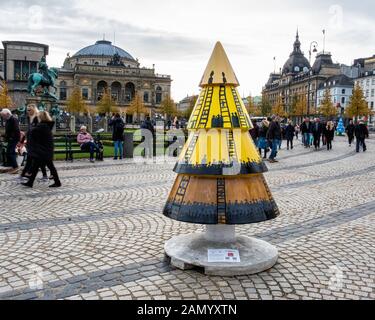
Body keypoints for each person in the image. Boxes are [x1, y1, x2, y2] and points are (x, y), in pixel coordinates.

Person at [21, 111, 61, 188]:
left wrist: (31, 124)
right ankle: (30, 182)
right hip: (46, 150)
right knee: (38, 166)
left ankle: (57, 182)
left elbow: (31, 132)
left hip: (43, 151)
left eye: (38, 117)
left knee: (48, 166)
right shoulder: (46, 126)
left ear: (40, 117)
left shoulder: (41, 126)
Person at [21, 105, 48, 180]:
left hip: (37, 143)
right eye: (27, 110)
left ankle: (27, 174)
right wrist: (23, 140)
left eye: (29, 110)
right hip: (31, 142)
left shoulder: (37, 118)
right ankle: (28, 174)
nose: (27, 111)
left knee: (36, 159)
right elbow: (28, 131)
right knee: (34, 159)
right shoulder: (30, 118)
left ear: (34, 110)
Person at [0, 108, 21, 174]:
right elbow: (8, 130)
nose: (2, 117)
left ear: (7, 114)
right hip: (10, 138)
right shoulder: (8, 120)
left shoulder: (13, 119)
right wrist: (4, 136)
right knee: (9, 152)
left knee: (11, 152)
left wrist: (13, 138)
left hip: (13, 139)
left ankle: (16, 167)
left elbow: (16, 130)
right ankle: (11, 165)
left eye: (3, 115)